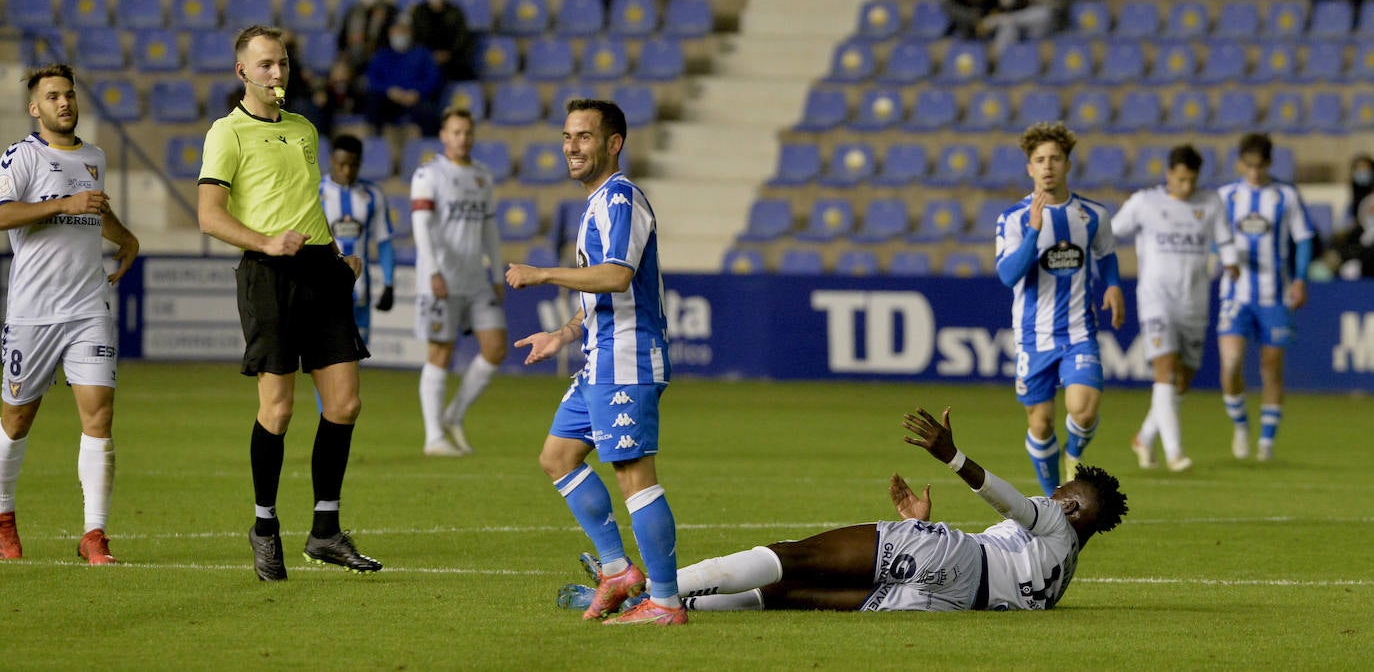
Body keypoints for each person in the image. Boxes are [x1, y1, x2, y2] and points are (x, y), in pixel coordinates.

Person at [559, 406, 1128, 614]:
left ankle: (651, 592)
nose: (1050, 497)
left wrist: (952, 456)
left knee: (795, 558)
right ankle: (661, 604)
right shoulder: (1061, 579)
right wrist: (919, 525)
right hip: (944, 600)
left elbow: (1001, 496)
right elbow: (1000, 568)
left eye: (1063, 496)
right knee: (791, 598)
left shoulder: (1055, 522)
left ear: (1077, 511)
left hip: (952, 561)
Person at [198, 24, 381, 581]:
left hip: (321, 270)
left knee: (344, 404)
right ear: (242, 72)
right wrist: (266, 242)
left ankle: (325, 530)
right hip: (268, 276)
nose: (277, 73)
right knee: (278, 411)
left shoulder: (304, 130)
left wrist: (338, 252)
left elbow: (302, 202)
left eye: (282, 63)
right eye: (265, 65)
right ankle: (264, 526)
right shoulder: (225, 133)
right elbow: (209, 215)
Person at [505, 98, 684, 626]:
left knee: (634, 476)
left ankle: (666, 604)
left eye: (584, 137)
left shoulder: (621, 198)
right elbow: (601, 297)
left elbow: (616, 276)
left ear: (613, 144)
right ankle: (617, 572)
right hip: (599, 359)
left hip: (626, 360)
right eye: (567, 136)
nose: (572, 147)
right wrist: (562, 334)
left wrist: (542, 274)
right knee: (557, 457)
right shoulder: (596, 204)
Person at [0, 63, 140, 564]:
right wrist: (62, 203)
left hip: (88, 307)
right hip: (33, 312)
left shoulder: (95, 156)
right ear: (34, 108)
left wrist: (126, 239)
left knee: (99, 415)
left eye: (70, 95)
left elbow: (94, 211)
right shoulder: (21, 156)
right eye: (53, 97)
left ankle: (94, 535)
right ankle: (3, 519)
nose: (64, 103)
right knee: (16, 419)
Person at [995, 122, 1125, 496]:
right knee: (1041, 424)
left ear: (1068, 164)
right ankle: (1055, 499)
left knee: (1083, 411)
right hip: (1034, 336)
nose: (1048, 165)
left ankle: (1074, 454)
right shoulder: (1014, 219)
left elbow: (1106, 253)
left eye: (1055, 158)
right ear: (1029, 169)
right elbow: (1008, 275)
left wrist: (1113, 284)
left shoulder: (1093, 215)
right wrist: (1035, 232)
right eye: (1039, 160)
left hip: (1078, 331)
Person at [1112, 145, 1238, 473]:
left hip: (1194, 302)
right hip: (1156, 300)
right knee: (1165, 370)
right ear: (1169, 173)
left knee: (1182, 380)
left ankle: (1144, 437)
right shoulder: (1145, 203)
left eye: (1191, 181)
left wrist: (1231, 263)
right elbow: (1109, 232)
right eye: (1180, 180)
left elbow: (1225, 242)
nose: (1185, 187)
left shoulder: (1210, 202)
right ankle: (1174, 453)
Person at [410, 107, 507, 457]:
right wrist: (433, 270)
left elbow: (490, 230)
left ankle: (454, 415)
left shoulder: (482, 176)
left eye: (467, 132)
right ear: (443, 135)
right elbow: (421, 226)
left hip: (476, 279)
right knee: (441, 351)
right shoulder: (428, 174)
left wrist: (497, 273)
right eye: (455, 132)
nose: (462, 138)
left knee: (496, 347)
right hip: (441, 279)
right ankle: (433, 437)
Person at [1216, 133, 1315, 462]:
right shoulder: (1226, 196)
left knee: (1270, 369)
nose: (1254, 173)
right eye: (1249, 166)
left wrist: (1300, 279)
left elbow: (1303, 239)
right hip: (1235, 295)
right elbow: (1213, 238)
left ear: (1269, 164)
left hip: (1275, 296)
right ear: (1239, 163)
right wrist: (1225, 255)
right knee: (1230, 364)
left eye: (1260, 166)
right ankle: (1241, 426)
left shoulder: (1285, 196)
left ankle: (1267, 443)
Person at [319, 134, 396, 346]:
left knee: (355, 354)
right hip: (323, 287)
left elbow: (384, 241)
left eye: (353, 165)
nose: (347, 171)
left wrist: (389, 284)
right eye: (342, 164)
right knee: (325, 358)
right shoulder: (316, 192)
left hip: (360, 287)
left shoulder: (372, 194)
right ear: (332, 160)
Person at [363, 15, 443, 137]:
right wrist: (388, 91)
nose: (400, 34)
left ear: (410, 32)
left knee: (430, 113)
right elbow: (371, 79)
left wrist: (417, 92)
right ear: (390, 32)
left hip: (415, 100)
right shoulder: (381, 55)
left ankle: (429, 147)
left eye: (404, 30)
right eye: (397, 31)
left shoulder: (422, 54)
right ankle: (375, 144)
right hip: (390, 101)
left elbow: (433, 79)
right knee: (373, 103)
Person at [410, 0, 476, 83]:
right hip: (426, 59)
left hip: (451, 59)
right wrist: (430, 55)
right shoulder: (419, 12)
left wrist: (449, 54)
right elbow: (415, 38)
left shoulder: (455, 11)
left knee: (466, 74)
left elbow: (462, 37)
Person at [336, 0, 398, 74]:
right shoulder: (352, 11)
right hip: (355, 59)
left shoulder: (390, 11)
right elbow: (342, 38)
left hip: (382, 59)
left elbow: (393, 37)